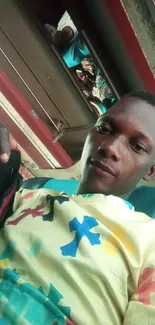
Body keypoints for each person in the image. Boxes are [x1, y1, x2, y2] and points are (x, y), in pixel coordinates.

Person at [1, 91, 155, 324]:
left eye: (137, 146)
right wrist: (5, 168)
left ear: (151, 170)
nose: (110, 147)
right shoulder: (30, 196)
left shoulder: (149, 241)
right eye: (105, 129)